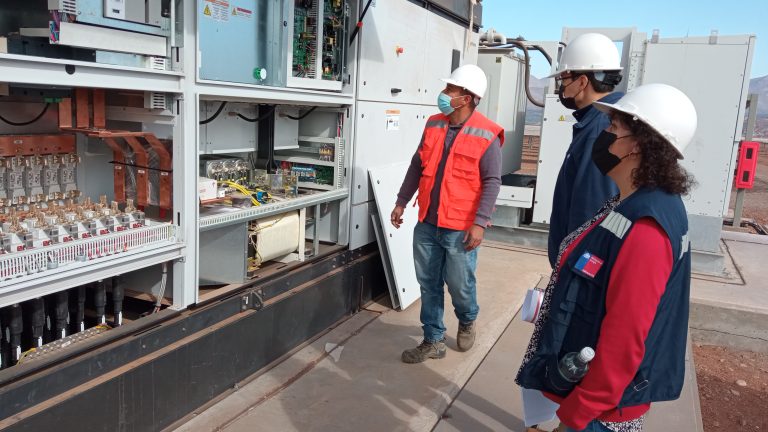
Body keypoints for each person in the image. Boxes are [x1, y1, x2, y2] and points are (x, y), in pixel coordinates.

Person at [516, 83, 698, 432]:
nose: (604, 136)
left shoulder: (647, 226)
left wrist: (578, 413)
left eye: (613, 127)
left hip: (601, 414)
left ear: (638, 144)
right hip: (593, 401)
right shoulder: (634, 202)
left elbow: (625, 337)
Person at [390, 64, 504, 364]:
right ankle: (433, 339)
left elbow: (492, 181)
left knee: (459, 285)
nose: (443, 93)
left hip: (460, 227)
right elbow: (417, 165)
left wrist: (480, 223)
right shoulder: (433, 124)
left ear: (466, 98)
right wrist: (401, 201)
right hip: (428, 222)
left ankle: (467, 318)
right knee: (428, 284)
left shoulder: (487, 133)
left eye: (449, 89)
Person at [546, 33, 624, 268]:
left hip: (578, 262)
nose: (561, 86)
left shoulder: (599, 128)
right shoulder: (605, 120)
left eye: (564, 78)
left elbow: (591, 212)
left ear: (582, 82)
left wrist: (576, 270)